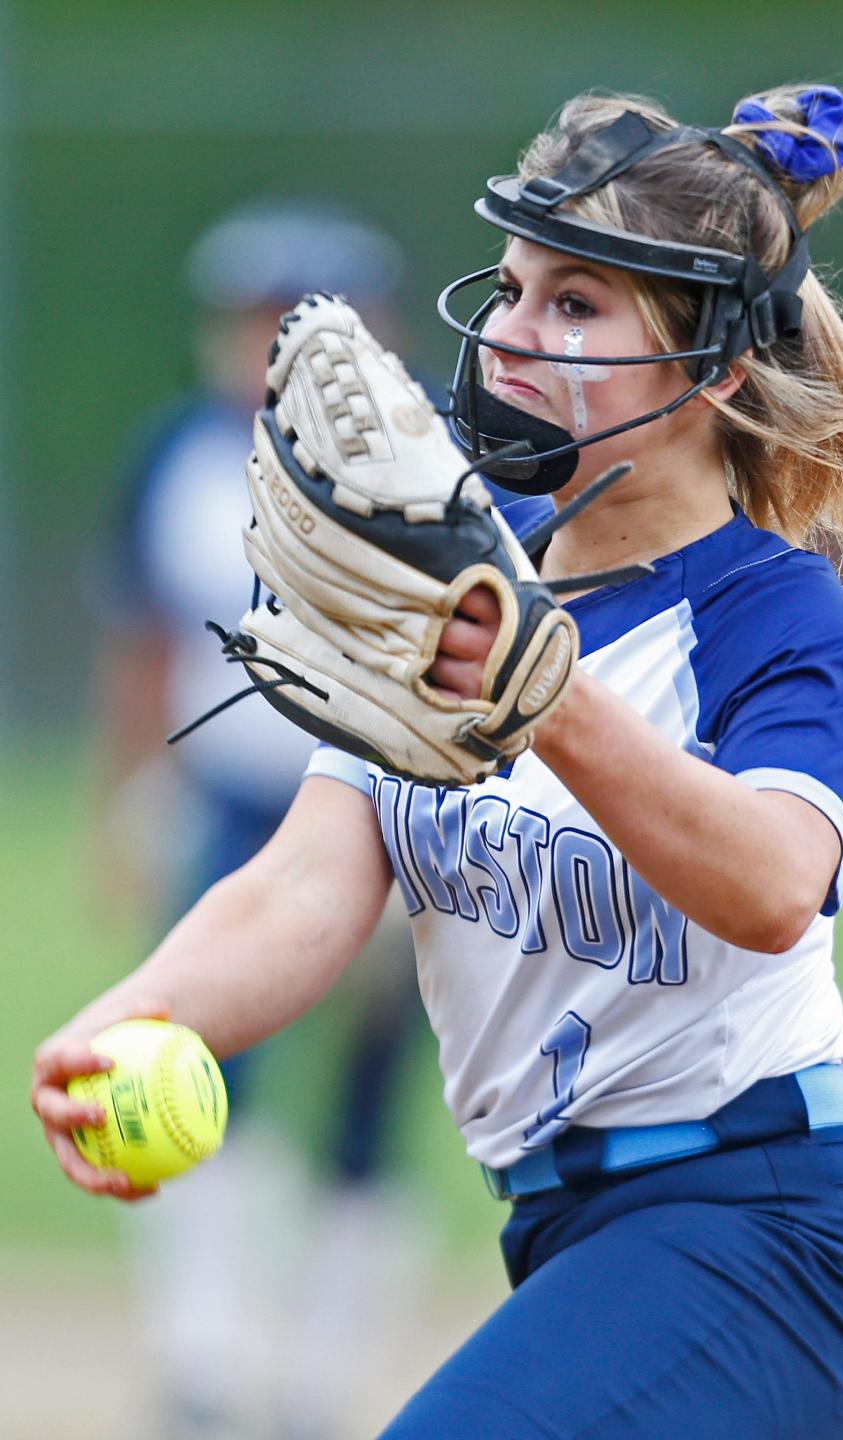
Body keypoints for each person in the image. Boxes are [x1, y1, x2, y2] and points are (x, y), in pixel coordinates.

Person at [34, 84, 843, 1439]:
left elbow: (773, 883)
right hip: (574, 1236)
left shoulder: (777, 619)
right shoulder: (457, 567)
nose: (510, 332)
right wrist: (139, 1016)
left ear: (714, 371)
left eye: (578, 304)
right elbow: (311, 882)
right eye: (510, 288)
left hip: (762, 1236)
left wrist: (547, 698)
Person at [87, 199, 427, 1440]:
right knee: (192, 1061)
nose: (260, 345)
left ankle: (322, 1373)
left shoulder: (420, 466)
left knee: (370, 1096)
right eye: (246, 319)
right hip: (229, 800)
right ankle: (206, 1354)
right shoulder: (177, 453)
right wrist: (125, 799)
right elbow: (142, 639)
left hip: (385, 815)